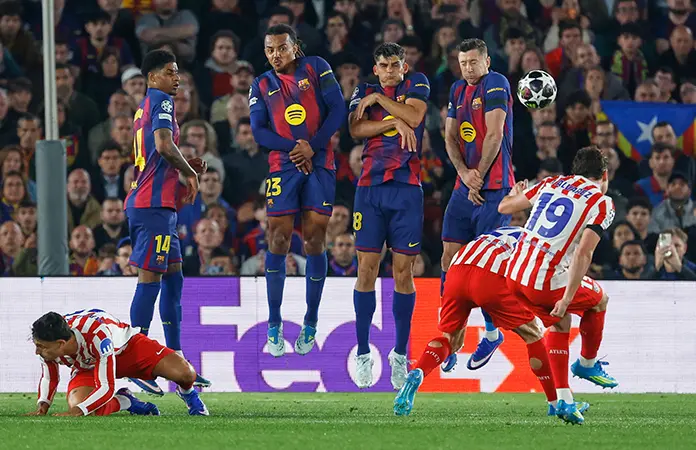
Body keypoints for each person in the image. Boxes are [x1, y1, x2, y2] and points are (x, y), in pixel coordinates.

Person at [393, 225, 589, 420]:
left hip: (457, 270)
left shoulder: (509, 230)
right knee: (533, 333)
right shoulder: (542, 244)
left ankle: (417, 372)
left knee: (451, 341)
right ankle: (555, 402)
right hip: (490, 276)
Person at [500, 146, 619, 425]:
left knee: (561, 323)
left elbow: (504, 207)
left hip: (514, 275)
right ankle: (587, 363)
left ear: (574, 171)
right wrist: (566, 298)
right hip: (544, 281)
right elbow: (584, 253)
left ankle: (564, 400)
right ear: (604, 174)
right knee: (600, 300)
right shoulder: (602, 202)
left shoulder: (552, 182)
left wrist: (516, 192)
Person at [248, 24, 346, 357]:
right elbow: (259, 131)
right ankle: (274, 323)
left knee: (315, 240)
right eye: (269, 50)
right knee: (277, 239)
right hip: (283, 165)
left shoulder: (316, 67)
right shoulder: (261, 84)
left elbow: (338, 109)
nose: (275, 55)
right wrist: (296, 148)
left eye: (281, 47)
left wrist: (312, 147)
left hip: (320, 162)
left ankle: (311, 320)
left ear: (295, 47)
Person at [123, 49, 209, 395]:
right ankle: (136, 362)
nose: (177, 78)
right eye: (170, 72)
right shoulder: (161, 101)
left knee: (174, 279)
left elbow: (156, 153)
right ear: (152, 77)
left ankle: (177, 360)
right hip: (152, 207)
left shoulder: (144, 107)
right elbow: (162, 145)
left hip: (159, 206)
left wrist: (183, 163)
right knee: (151, 280)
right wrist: (189, 173)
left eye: (177, 73)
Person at [347, 42, 429, 390]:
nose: (390, 70)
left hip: (407, 189)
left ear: (404, 67)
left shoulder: (417, 83)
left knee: (403, 272)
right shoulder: (361, 90)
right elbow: (355, 130)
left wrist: (381, 103)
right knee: (366, 269)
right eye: (384, 65)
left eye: (396, 65)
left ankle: (399, 354)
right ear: (376, 68)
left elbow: (415, 117)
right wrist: (393, 121)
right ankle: (364, 352)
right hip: (370, 188)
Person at [439, 38, 515, 373]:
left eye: (473, 62)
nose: (468, 68)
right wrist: (463, 174)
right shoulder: (457, 89)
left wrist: (478, 176)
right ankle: (449, 336)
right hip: (465, 186)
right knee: (449, 258)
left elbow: (494, 135)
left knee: (484, 266)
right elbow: (450, 137)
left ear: (486, 62)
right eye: (463, 63)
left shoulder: (496, 83)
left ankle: (492, 333)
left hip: (495, 188)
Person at [26, 310, 208, 416]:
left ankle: (188, 394)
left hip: (128, 351)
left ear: (61, 344)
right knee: (84, 406)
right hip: (89, 366)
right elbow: (49, 377)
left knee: (186, 374)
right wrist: (43, 406)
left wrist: (78, 411)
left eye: (41, 347)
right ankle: (125, 401)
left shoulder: (97, 334)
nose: (37, 351)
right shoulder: (50, 342)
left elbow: (106, 386)